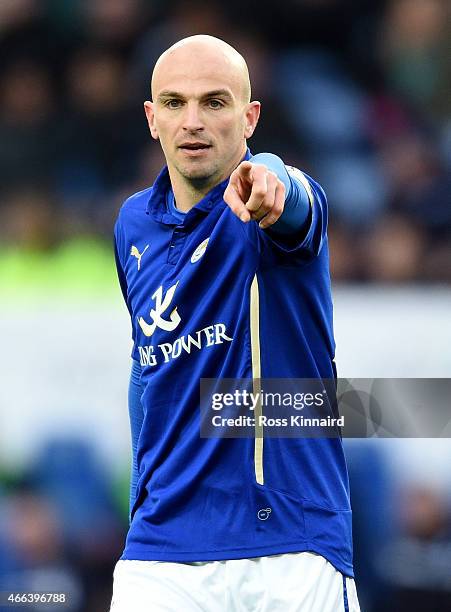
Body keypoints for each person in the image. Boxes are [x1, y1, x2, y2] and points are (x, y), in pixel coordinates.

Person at [110, 35, 360, 612]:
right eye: (174, 103)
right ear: (152, 119)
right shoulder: (131, 226)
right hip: (161, 555)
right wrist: (139, 504)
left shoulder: (266, 201)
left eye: (215, 102)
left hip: (289, 546)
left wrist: (273, 180)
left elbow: (292, 200)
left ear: (249, 117)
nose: (193, 121)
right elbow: (145, 367)